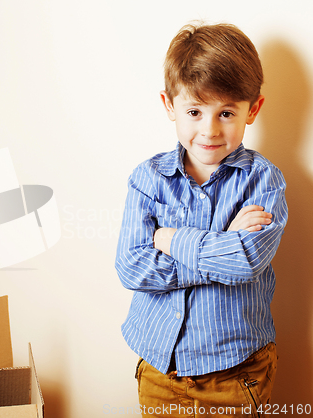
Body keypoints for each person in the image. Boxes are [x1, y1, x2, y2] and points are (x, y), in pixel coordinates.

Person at [115, 22, 288, 417]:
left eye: (226, 112)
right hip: (161, 369)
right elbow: (132, 268)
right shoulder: (148, 179)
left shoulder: (264, 180)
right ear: (169, 105)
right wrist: (220, 242)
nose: (209, 130)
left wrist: (172, 240)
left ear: (253, 109)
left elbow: (244, 261)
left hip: (236, 371)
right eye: (194, 111)